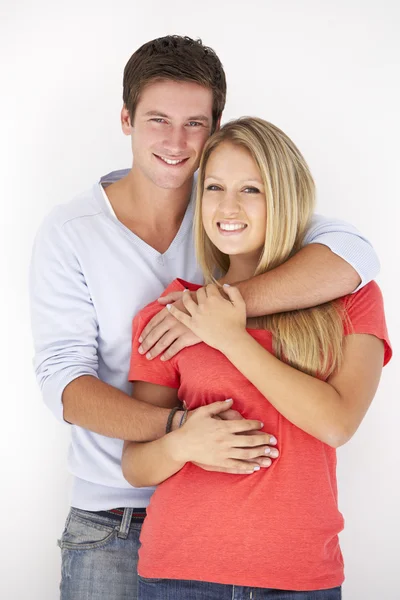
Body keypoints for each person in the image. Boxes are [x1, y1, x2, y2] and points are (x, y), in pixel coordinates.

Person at [30, 36, 380, 600]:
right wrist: (178, 433)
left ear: (215, 127)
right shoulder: (73, 233)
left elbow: (356, 257)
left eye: (195, 123)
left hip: (268, 543)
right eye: (157, 119)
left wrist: (218, 314)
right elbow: (63, 385)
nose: (175, 141)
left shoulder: (229, 207)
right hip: (113, 515)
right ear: (126, 118)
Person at [122, 117, 392, 600]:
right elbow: (136, 465)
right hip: (181, 573)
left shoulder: (352, 298)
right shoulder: (170, 314)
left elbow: (337, 424)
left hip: (300, 576)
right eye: (214, 187)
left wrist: (231, 337)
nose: (227, 206)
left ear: (284, 197)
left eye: (251, 189)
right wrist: (183, 444)